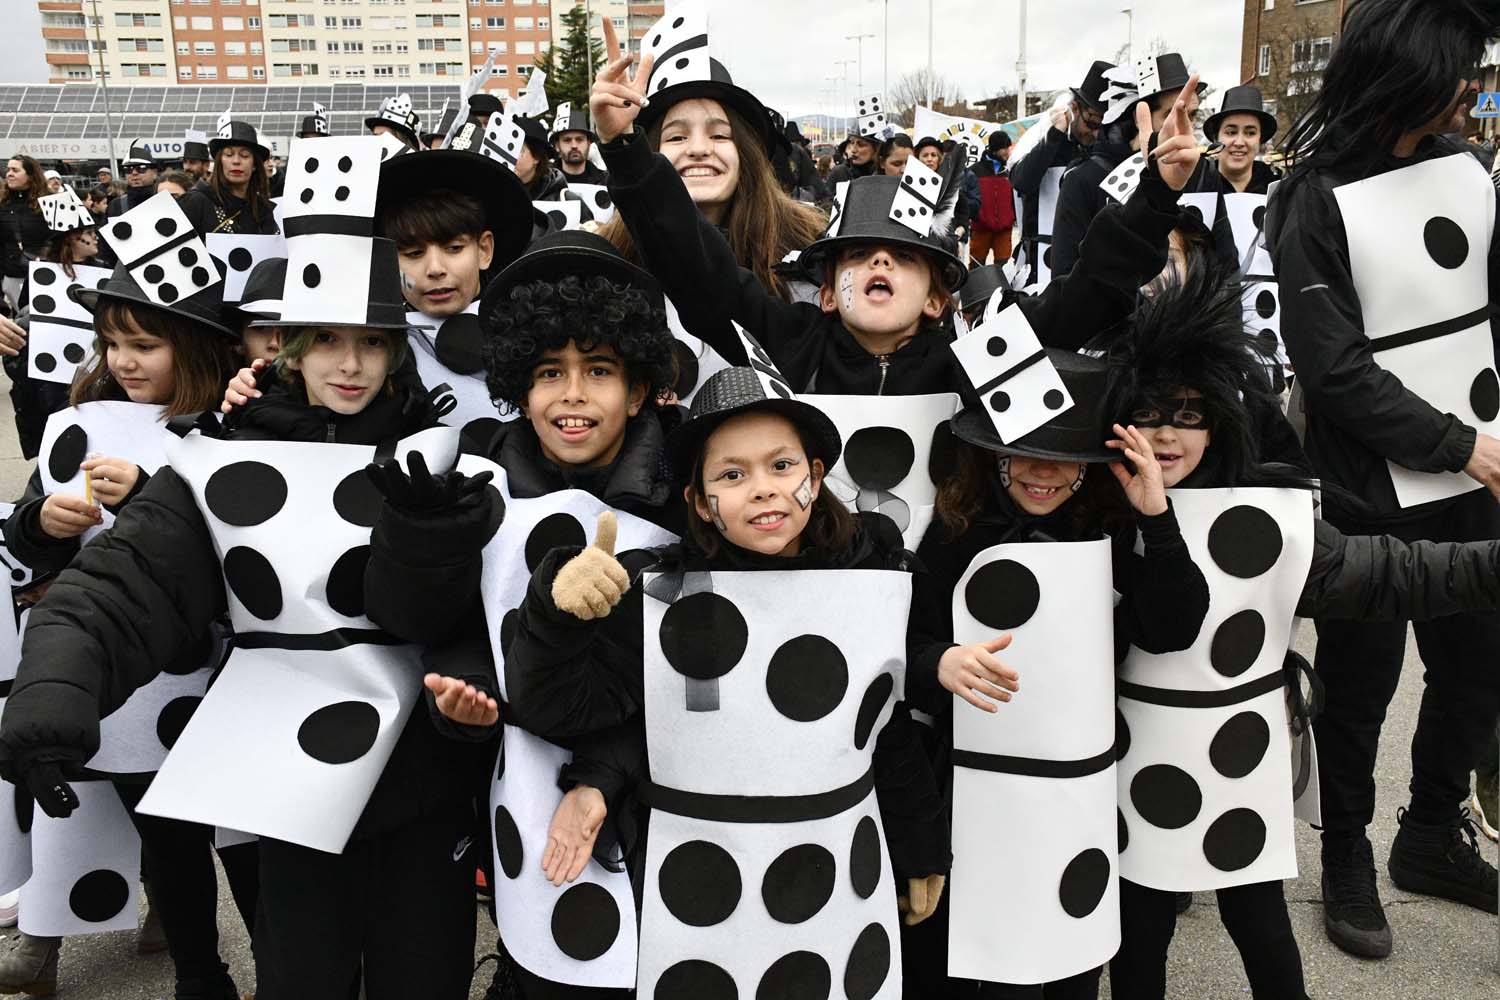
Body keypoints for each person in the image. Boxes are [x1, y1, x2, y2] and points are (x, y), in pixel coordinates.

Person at [0, 140, 490, 1000]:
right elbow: (120, 588)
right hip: (284, 786)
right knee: (302, 979)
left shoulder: (446, 463)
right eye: (326, 340)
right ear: (289, 346)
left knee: (426, 978)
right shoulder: (220, 459)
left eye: (371, 342)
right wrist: (53, 702)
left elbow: (483, 617)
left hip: (424, 788)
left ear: (396, 349)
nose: (348, 363)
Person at [1102, 261, 1500, 999]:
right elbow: (1160, 624)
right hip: (1137, 766)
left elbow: (1393, 575)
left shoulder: (1270, 519)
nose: (1165, 434)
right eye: (1149, 413)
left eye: (1188, 413)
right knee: (1141, 934)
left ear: (1221, 418)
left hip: (1241, 765)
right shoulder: (1098, 523)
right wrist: (1152, 523)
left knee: (1261, 926)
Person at [502, 364, 947, 1000]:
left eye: (782, 466)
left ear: (815, 478)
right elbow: (572, 711)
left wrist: (919, 843)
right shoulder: (658, 594)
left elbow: (885, 731)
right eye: (731, 475)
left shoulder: (870, 578)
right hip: (697, 893)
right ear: (699, 502)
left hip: (832, 882)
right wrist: (555, 616)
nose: (761, 489)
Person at [363, 230, 689, 1000]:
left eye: (599, 372)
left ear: (639, 389)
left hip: (657, 801)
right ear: (517, 384)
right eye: (549, 373)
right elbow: (454, 627)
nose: (572, 394)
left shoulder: (688, 495)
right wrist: (466, 703)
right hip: (519, 802)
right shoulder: (478, 483)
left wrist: (609, 774)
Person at [1266, 0, 1500, 960]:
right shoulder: (1311, 197)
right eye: (1458, 71)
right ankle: (1349, 855)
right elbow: (1333, 370)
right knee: (1363, 689)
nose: (1469, 88)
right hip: (1370, 491)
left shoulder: (1470, 170)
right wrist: (1463, 446)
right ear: (1405, 73)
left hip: (1478, 474)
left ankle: (1433, 833)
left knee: (1477, 666)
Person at [589, 50, 1201, 398]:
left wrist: (1157, 195)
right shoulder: (790, 342)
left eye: (905, 257)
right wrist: (626, 152)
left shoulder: (973, 358)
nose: (880, 264)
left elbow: (1088, 295)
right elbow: (698, 271)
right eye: (857, 256)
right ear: (825, 292)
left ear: (939, 297)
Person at [0, 201, 254, 999]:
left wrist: (150, 498)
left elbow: (242, 550)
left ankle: (283, 966)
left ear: (196, 346)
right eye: (113, 343)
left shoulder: (228, 430)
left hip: (210, 676)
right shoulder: (76, 424)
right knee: (168, 839)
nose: (125, 359)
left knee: (242, 839)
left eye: (145, 343)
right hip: (122, 683)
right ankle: (200, 972)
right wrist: (43, 520)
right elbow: (25, 549)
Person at [907, 350, 1206, 999]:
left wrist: (1156, 518)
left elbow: (1173, 626)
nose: (1045, 470)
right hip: (965, 790)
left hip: (1076, 793)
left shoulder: (1107, 532)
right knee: (956, 956)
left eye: (1066, 455)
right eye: (1027, 452)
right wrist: (939, 661)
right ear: (994, 452)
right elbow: (903, 646)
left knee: (1066, 960)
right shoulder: (954, 532)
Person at [593, 19, 825, 303]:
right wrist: (619, 142)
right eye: (677, 138)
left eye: (719, 135)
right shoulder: (605, 257)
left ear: (745, 154)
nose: (699, 149)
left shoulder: (811, 253)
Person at [1052, 55, 1205, 280]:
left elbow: (1225, 265)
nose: (1185, 126)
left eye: (1191, 115)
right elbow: (1064, 277)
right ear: (1139, 118)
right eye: (1171, 115)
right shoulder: (1084, 180)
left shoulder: (1204, 174)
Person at [6, 186, 102, 458]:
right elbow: (22, 333)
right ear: (71, 238)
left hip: (93, 381)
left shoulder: (105, 271)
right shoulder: (41, 277)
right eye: (89, 231)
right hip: (49, 389)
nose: (96, 236)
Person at [1010, 60, 1113, 287]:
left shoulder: (1102, 148)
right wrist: (1055, 134)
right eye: (1091, 124)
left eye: (1102, 128)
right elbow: (1022, 181)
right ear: (1075, 109)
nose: (1096, 134)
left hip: (1082, 263)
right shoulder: (1046, 141)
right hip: (1039, 263)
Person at [177, 121, 278, 236]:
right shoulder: (195, 202)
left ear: (254, 164)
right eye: (229, 154)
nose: (236, 161)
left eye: (244, 155)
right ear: (219, 161)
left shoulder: (263, 208)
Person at [1202, 85, 1280, 195]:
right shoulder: (1195, 185)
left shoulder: (1278, 191)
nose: (1239, 142)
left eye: (1250, 133)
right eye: (1231, 132)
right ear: (1216, 138)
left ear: (1260, 139)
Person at [0, 155, 50, 308]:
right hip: (12, 277)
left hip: (46, 276)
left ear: (30, 175)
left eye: (15, 170)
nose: (9, 174)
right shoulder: (2, 205)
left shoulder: (51, 202)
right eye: (8, 170)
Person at [971, 131, 1016, 267]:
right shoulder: (974, 170)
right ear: (995, 149)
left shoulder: (1010, 169)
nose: (1007, 152)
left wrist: (1012, 217)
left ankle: (1003, 289)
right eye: (1004, 148)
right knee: (976, 266)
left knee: (1004, 268)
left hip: (1004, 229)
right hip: (980, 228)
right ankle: (974, 289)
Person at [552, 109, 609, 186]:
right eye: (567, 140)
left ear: (588, 144)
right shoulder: (544, 183)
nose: (574, 146)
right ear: (557, 146)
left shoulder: (606, 182)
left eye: (579, 139)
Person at [107, 141, 159, 219]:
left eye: (141, 168)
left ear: (154, 173)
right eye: (128, 169)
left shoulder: (167, 200)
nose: (134, 173)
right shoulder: (116, 204)